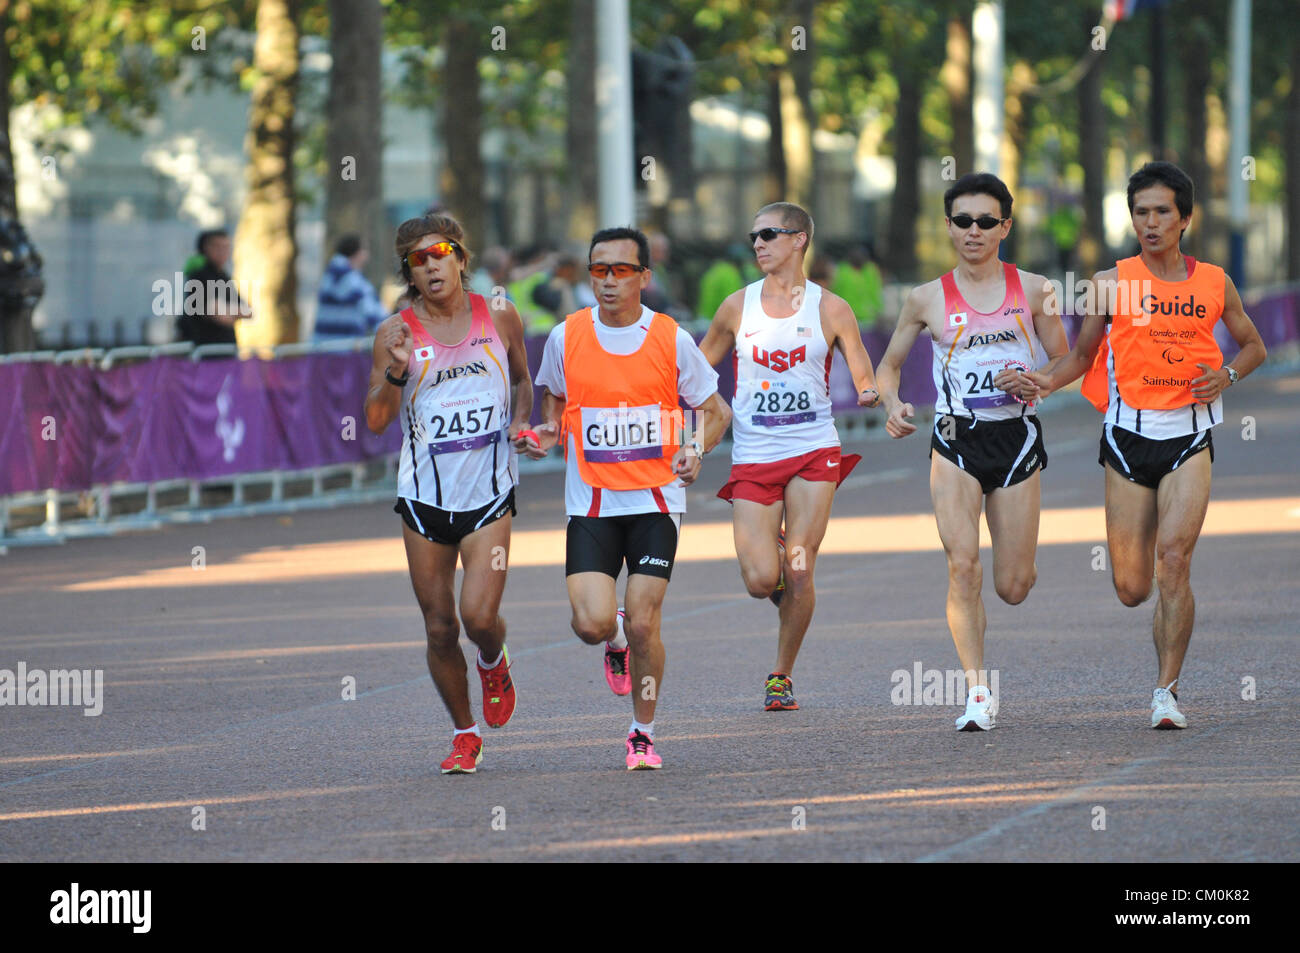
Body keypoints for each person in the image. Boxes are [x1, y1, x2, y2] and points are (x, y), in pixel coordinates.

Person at [1025, 161, 1267, 729]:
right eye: (1141, 212)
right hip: (1128, 438)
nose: (1151, 223)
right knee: (1132, 587)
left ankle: (1167, 693)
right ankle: (1153, 625)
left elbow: (1253, 346)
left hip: (1189, 435)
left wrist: (1228, 375)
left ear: (1185, 218)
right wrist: (1042, 380)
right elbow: (1082, 359)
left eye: (1162, 212)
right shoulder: (1110, 284)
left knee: (1174, 563)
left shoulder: (1213, 282)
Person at [520, 226, 732, 770]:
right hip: (591, 503)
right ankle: (611, 636)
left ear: (644, 276)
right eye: (599, 270)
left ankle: (642, 732)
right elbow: (555, 406)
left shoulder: (670, 338)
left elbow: (716, 412)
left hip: (656, 503)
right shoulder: (566, 336)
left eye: (620, 270)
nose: (609, 281)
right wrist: (543, 435)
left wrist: (693, 449)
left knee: (645, 623)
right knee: (591, 625)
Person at [875, 173, 1069, 731]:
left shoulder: (1034, 289)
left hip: (1015, 440)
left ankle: (1018, 575)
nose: (974, 231)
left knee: (1012, 585)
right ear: (949, 227)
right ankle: (977, 692)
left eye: (987, 221)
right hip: (955, 441)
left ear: (1005, 226)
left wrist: (1040, 381)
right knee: (963, 567)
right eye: (963, 221)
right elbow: (888, 366)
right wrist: (892, 403)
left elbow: (1064, 360)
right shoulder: (926, 298)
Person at [363, 213, 534, 774]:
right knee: (439, 625)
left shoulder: (500, 313)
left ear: (461, 257)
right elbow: (375, 421)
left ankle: (492, 657)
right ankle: (465, 734)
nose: (430, 264)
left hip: (489, 489)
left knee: (479, 617)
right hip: (423, 498)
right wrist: (394, 373)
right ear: (408, 272)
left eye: (439, 252)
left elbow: (522, 381)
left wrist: (522, 424)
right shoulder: (394, 332)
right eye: (417, 258)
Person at [698, 202, 882, 712]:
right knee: (762, 580)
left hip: (812, 450)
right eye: (754, 235)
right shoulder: (737, 306)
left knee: (799, 569)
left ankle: (781, 674)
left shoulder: (831, 307)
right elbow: (695, 365)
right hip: (755, 453)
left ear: (799, 239)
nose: (758, 244)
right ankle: (776, 553)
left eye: (770, 234)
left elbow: (863, 370)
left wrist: (869, 393)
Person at [177, 229, 250, 346]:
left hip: (227, 349)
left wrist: (225, 311)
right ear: (205, 248)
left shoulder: (224, 276)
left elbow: (247, 311)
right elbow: (215, 313)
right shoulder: (199, 276)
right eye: (217, 247)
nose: (223, 252)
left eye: (226, 247)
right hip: (206, 351)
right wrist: (231, 313)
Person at [314, 234, 388, 340]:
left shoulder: (329, 275)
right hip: (345, 347)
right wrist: (391, 330)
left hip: (322, 345)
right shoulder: (354, 282)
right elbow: (374, 313)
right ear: (358, 253)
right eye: (365, 249)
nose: (367, 255)